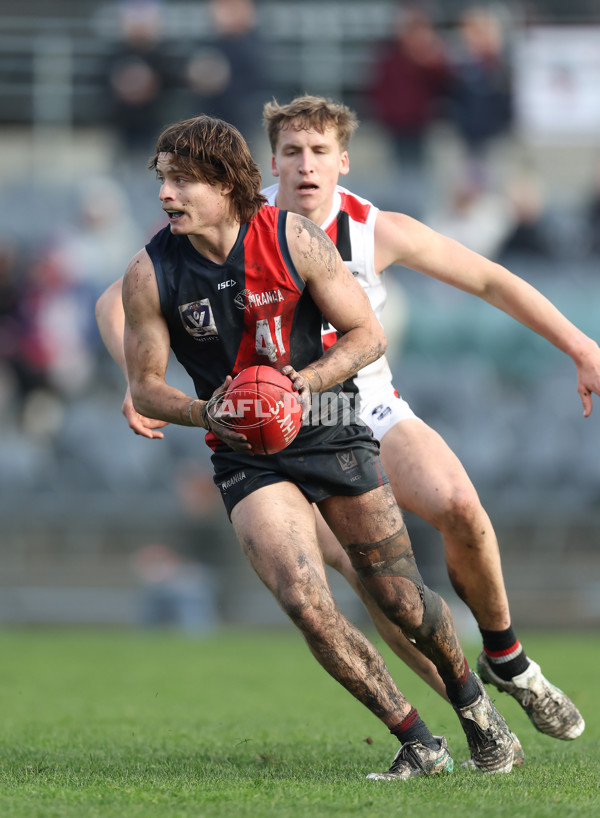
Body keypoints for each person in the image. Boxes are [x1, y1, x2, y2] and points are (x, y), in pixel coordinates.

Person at [96, 97, 593, 744]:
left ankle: (507, 661)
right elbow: (120, 300)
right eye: (293, 152)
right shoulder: (221, 223)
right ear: (269, 162)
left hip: (360, 406)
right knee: (351, 588)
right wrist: (136, 384)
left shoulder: (368, 228)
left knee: (452, 510)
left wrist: (580, 346)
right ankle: (466, 721)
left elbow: (489, 282)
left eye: (321, 152)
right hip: (265, 424)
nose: (306, 165)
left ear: (344, 160)